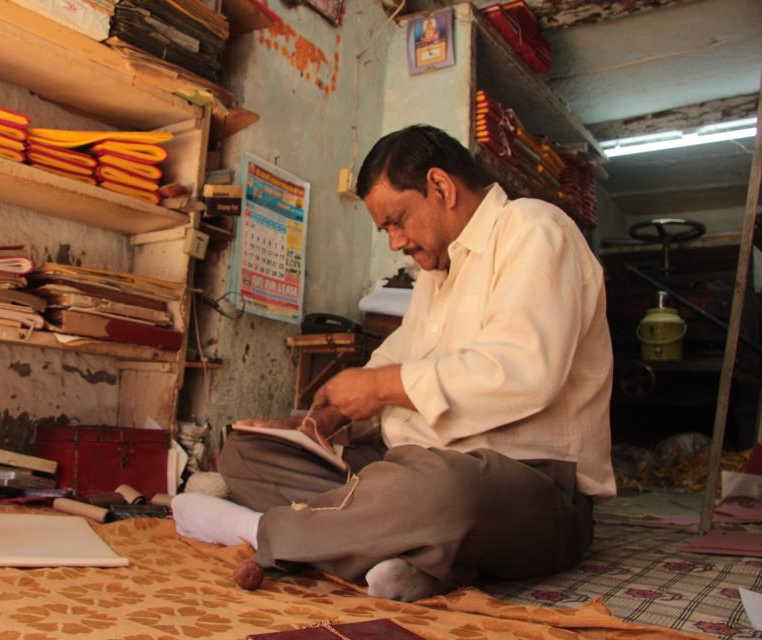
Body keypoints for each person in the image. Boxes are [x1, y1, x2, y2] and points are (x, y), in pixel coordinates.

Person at [172, 124, 616, 602]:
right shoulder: (437, 273)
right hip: (409, 468)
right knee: (248, 450)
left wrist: (382, 387)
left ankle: (262, 531)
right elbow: (395, 364)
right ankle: (413, 557)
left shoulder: (534, 230)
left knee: (442, 496)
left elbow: (525, 373)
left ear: (441, 187)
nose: (395, 242)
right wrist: (324, 421)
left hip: (530, 487)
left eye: (397, 220)